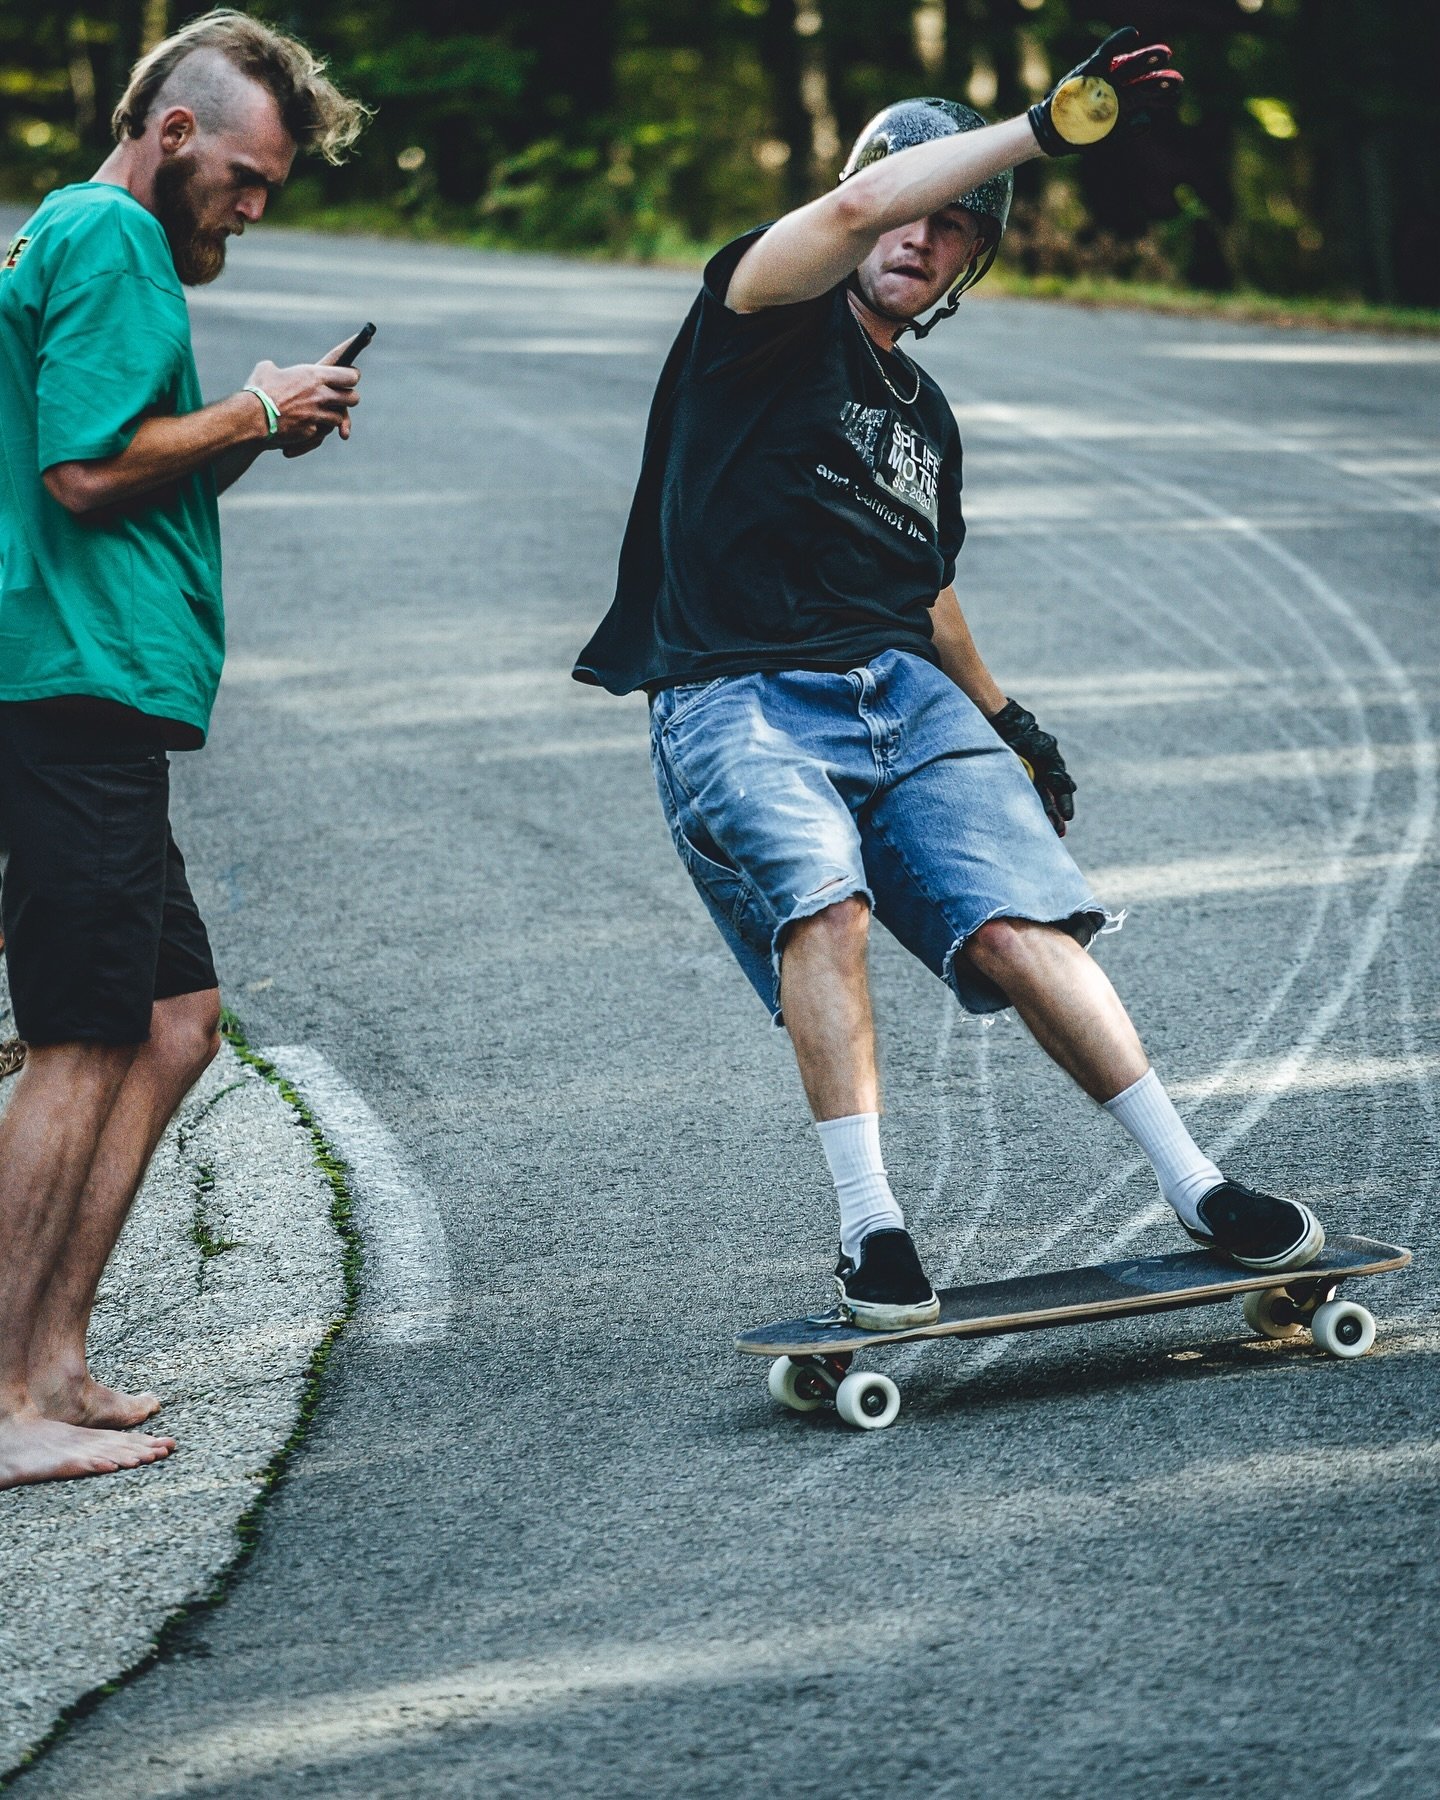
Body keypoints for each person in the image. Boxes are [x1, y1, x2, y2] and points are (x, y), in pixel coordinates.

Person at [575, 28, 1325, 1331]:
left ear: (972, 259)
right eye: (912, 202)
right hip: (737, 689)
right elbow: (866, 197)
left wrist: (1004, 720)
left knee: (1019, 922)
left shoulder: (923, 413)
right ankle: (874, 1234)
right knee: (825, 900)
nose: (923, 231)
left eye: (960, 221)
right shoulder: (754, 316)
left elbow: (922, 588)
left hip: (904, 696)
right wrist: (1045, 129)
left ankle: (1197, 1186)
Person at [0, 9, 369, 1489]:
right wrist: (256, 407)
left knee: (172, 1019)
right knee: (85, 1032)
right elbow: (85, 469)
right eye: (244, 170)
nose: (254, 203)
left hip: (93, 691)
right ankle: (0, 1399)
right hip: (67, 690)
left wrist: (245, 431)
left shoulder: (73, 238)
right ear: (170, 134)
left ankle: (54, 1360)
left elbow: (115, 454)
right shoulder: (107, 238)